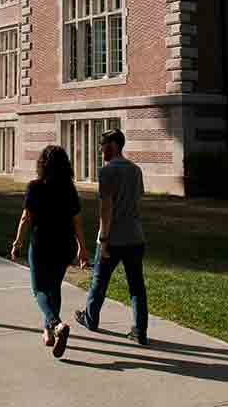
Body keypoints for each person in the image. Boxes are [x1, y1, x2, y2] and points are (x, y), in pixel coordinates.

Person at [10, 144, 90, 358]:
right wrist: (83, 248)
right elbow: (77, 223)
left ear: (42, 165)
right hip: (64, 246)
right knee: (54, 289)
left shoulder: (35, 187)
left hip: (41, 245)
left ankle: (55, 324)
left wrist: (18, 242)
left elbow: (26, 217)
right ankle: (48, 332)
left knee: (39, 291)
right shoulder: (69, 189)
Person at [75, 128, 149, 345]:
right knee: (137, 286)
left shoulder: (107, 171)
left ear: (113, 145)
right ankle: (140, 331)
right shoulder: (136, 170)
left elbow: (105, 209)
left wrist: (104, 240)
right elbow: (137, 205)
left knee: (99, 281)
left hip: (113, 238)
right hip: (136, 237)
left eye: (103, 144)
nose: (100, 149)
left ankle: (91, 319)